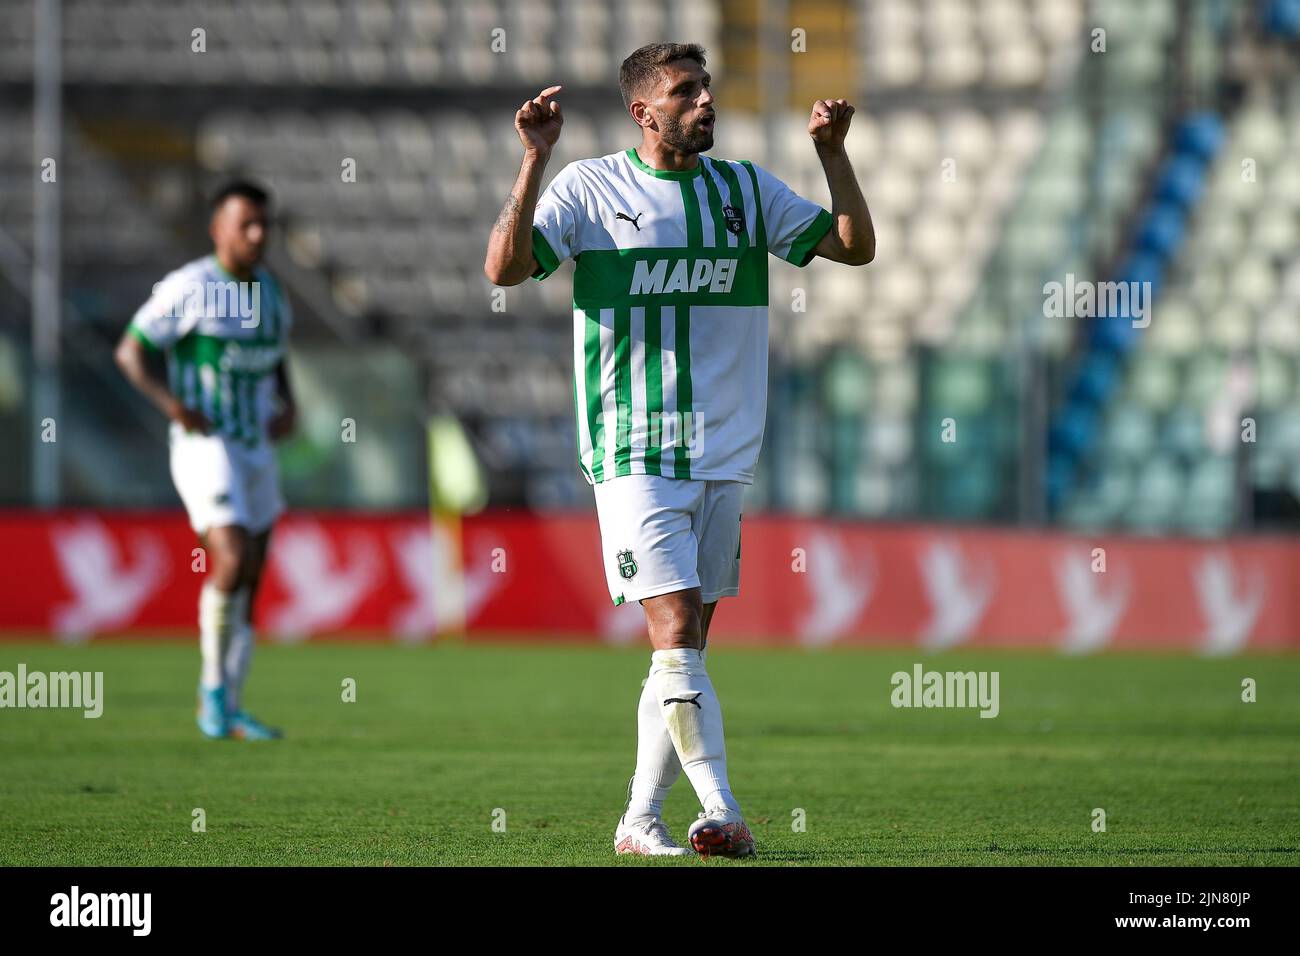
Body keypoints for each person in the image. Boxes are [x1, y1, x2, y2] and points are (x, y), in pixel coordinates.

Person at [484, 42, 874, 857]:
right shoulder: (591, 188)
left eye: (706, 89)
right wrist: (533, 160)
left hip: (724, 450)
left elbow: (851, 245)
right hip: (633, 447)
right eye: (685, 92)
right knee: (672, 632)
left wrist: (833, 157)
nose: (705, 103)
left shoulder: (743, 190)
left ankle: (637, 821)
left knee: (685, 648)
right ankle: (723, 808)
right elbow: (507, 268)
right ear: (644, 111)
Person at [114, 180, 296, 741]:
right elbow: (131, 350)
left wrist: (292, 403)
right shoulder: (189, 287)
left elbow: (276, 358)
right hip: (206, 443)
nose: (258, 234)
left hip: (255, 448)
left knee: (254, 573)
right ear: (218, 228)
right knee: (233, 552)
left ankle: (231, 704)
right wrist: (173, 404)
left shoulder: (272, 293)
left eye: (264, 224)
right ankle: (212, 693)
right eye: (246, 224)